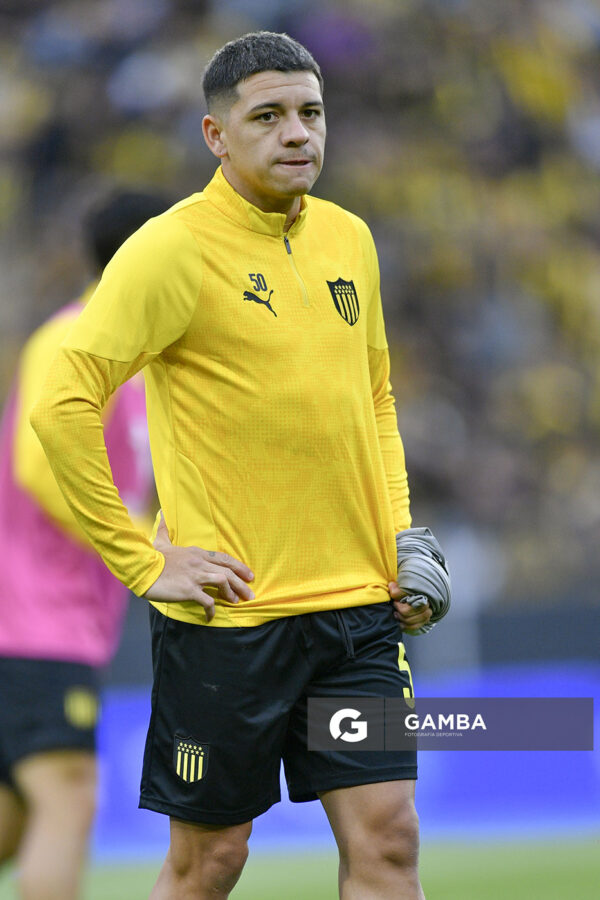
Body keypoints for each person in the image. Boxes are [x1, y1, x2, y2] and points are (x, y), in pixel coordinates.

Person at [31, 32, 451, 900]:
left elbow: (373, 399)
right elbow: (61, 405)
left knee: (391, 842)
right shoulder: (170, 249)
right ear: (216, 137)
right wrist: (143, 560)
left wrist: (399, 536)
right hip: (232, 624)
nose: (298, 133)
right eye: (269, 116)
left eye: (311, 112)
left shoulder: (351, 240)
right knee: (210, 862)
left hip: (356, 620)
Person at [0, 190, 170, 900]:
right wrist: (141, 551)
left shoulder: (140, 360)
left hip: (55, 620)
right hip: (34, 614)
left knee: (14, 819)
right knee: (69, 795)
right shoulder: (73, 338)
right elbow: (37, 465)